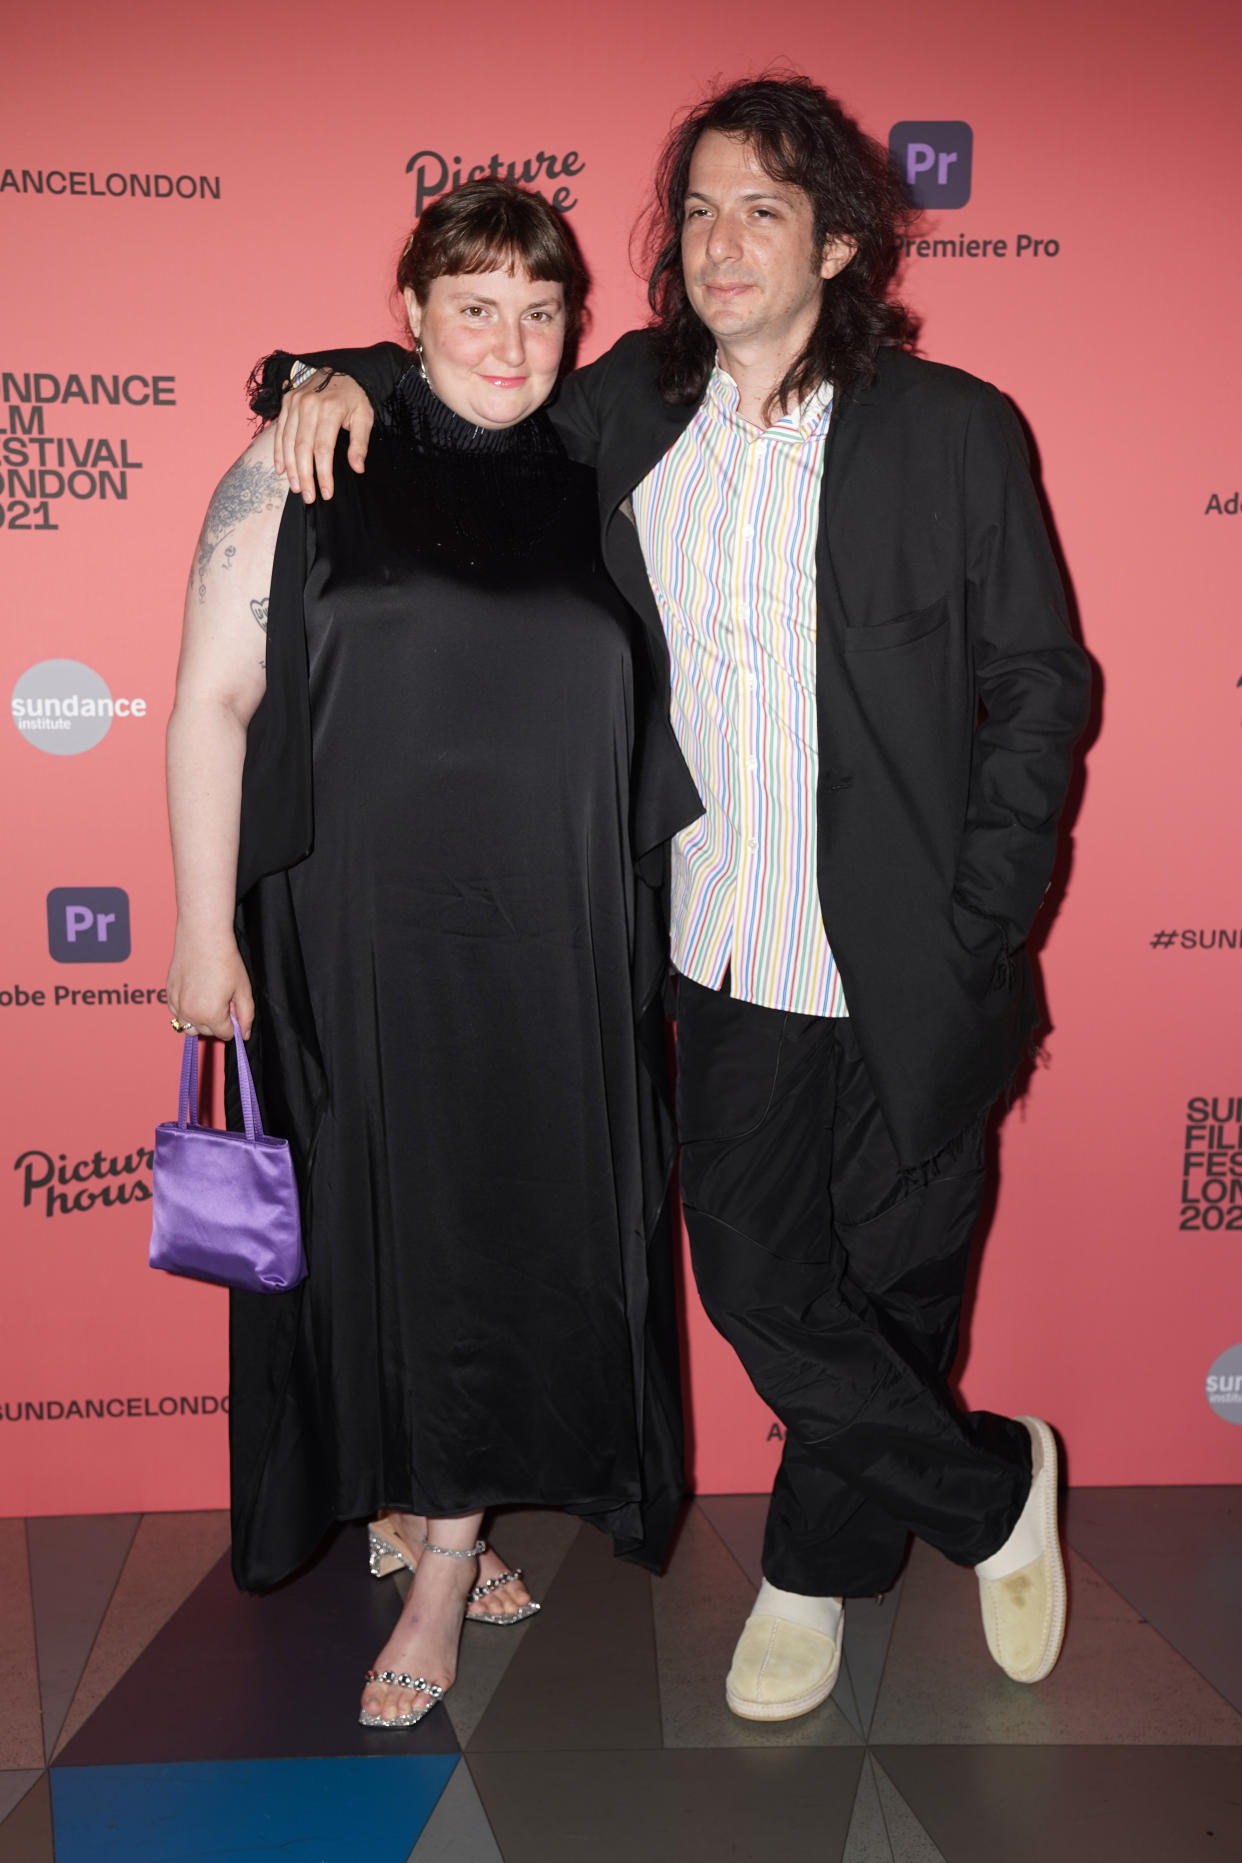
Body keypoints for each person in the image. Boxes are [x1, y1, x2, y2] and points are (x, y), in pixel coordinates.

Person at [262, 73, 1091, 1721]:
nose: (718, 242)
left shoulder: (955, 428)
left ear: (840, 241)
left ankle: (813, 1571)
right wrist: (308, 376)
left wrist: (980, 914)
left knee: (903, 1282)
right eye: (697, 208)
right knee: (759, 1289)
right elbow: (458, 381)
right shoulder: (627, 402)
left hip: (919, 957)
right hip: (715, 949)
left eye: (761, 210)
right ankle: (999, 1487)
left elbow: (1041, 688)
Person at [164, 178, 701, 1731]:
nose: (512, 339)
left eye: (542, 310)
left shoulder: (600, 474)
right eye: (475, 305)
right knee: (377, 1223)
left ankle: (449, 1558)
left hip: (553, 942)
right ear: (407, 319)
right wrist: (204, 925)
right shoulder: (303, 462)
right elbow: (212, 701)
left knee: (512, 1233)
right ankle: (410, 1490)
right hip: (346, 931)